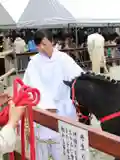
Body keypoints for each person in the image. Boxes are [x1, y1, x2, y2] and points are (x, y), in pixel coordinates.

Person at [23, 29, 84, 160]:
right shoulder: (34, 63)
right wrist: (45, 106)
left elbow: (79, 77)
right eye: (39, 45)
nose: (42, 48)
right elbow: (30, 87)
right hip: (43, 113)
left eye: (45, 43)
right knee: (41, 152)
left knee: (63, 151)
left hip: (64, 111)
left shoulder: (64, 59)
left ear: (52, 41)